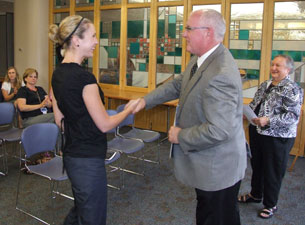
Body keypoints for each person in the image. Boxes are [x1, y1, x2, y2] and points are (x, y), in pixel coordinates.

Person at [126, 9, 247, 225]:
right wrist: (145, 101)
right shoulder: (201, 59)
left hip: (218, 168)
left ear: (208, 33)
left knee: (216, 217)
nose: (183, 34)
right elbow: (178, 84)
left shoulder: (221, 74)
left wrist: (181, 135)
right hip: (209, 163)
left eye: (189, 28)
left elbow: (219, 130)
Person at [48, 15, 139, 225]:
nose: (97, 42)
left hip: (72, 157)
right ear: (77, 40)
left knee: (82, 209)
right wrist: (129, 110)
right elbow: (105, 124)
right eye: (93, 36)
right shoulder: (84, 79)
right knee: (92, 217)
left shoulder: (57, 73)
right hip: (87, 160)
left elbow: (59, 119)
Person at [238, 55, 303, 219]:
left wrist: (269, 120)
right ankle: (256, 194)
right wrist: (247, 113)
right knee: (257, 165)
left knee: (273, 170)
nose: (273, 68)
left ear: (288, 70)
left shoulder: (292, 88)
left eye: (278, 66)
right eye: (273, 64)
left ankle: (270, 204)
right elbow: (255, 104)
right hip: (258, 132)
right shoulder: (266, 84)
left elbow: (293, 117)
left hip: (277, 136)